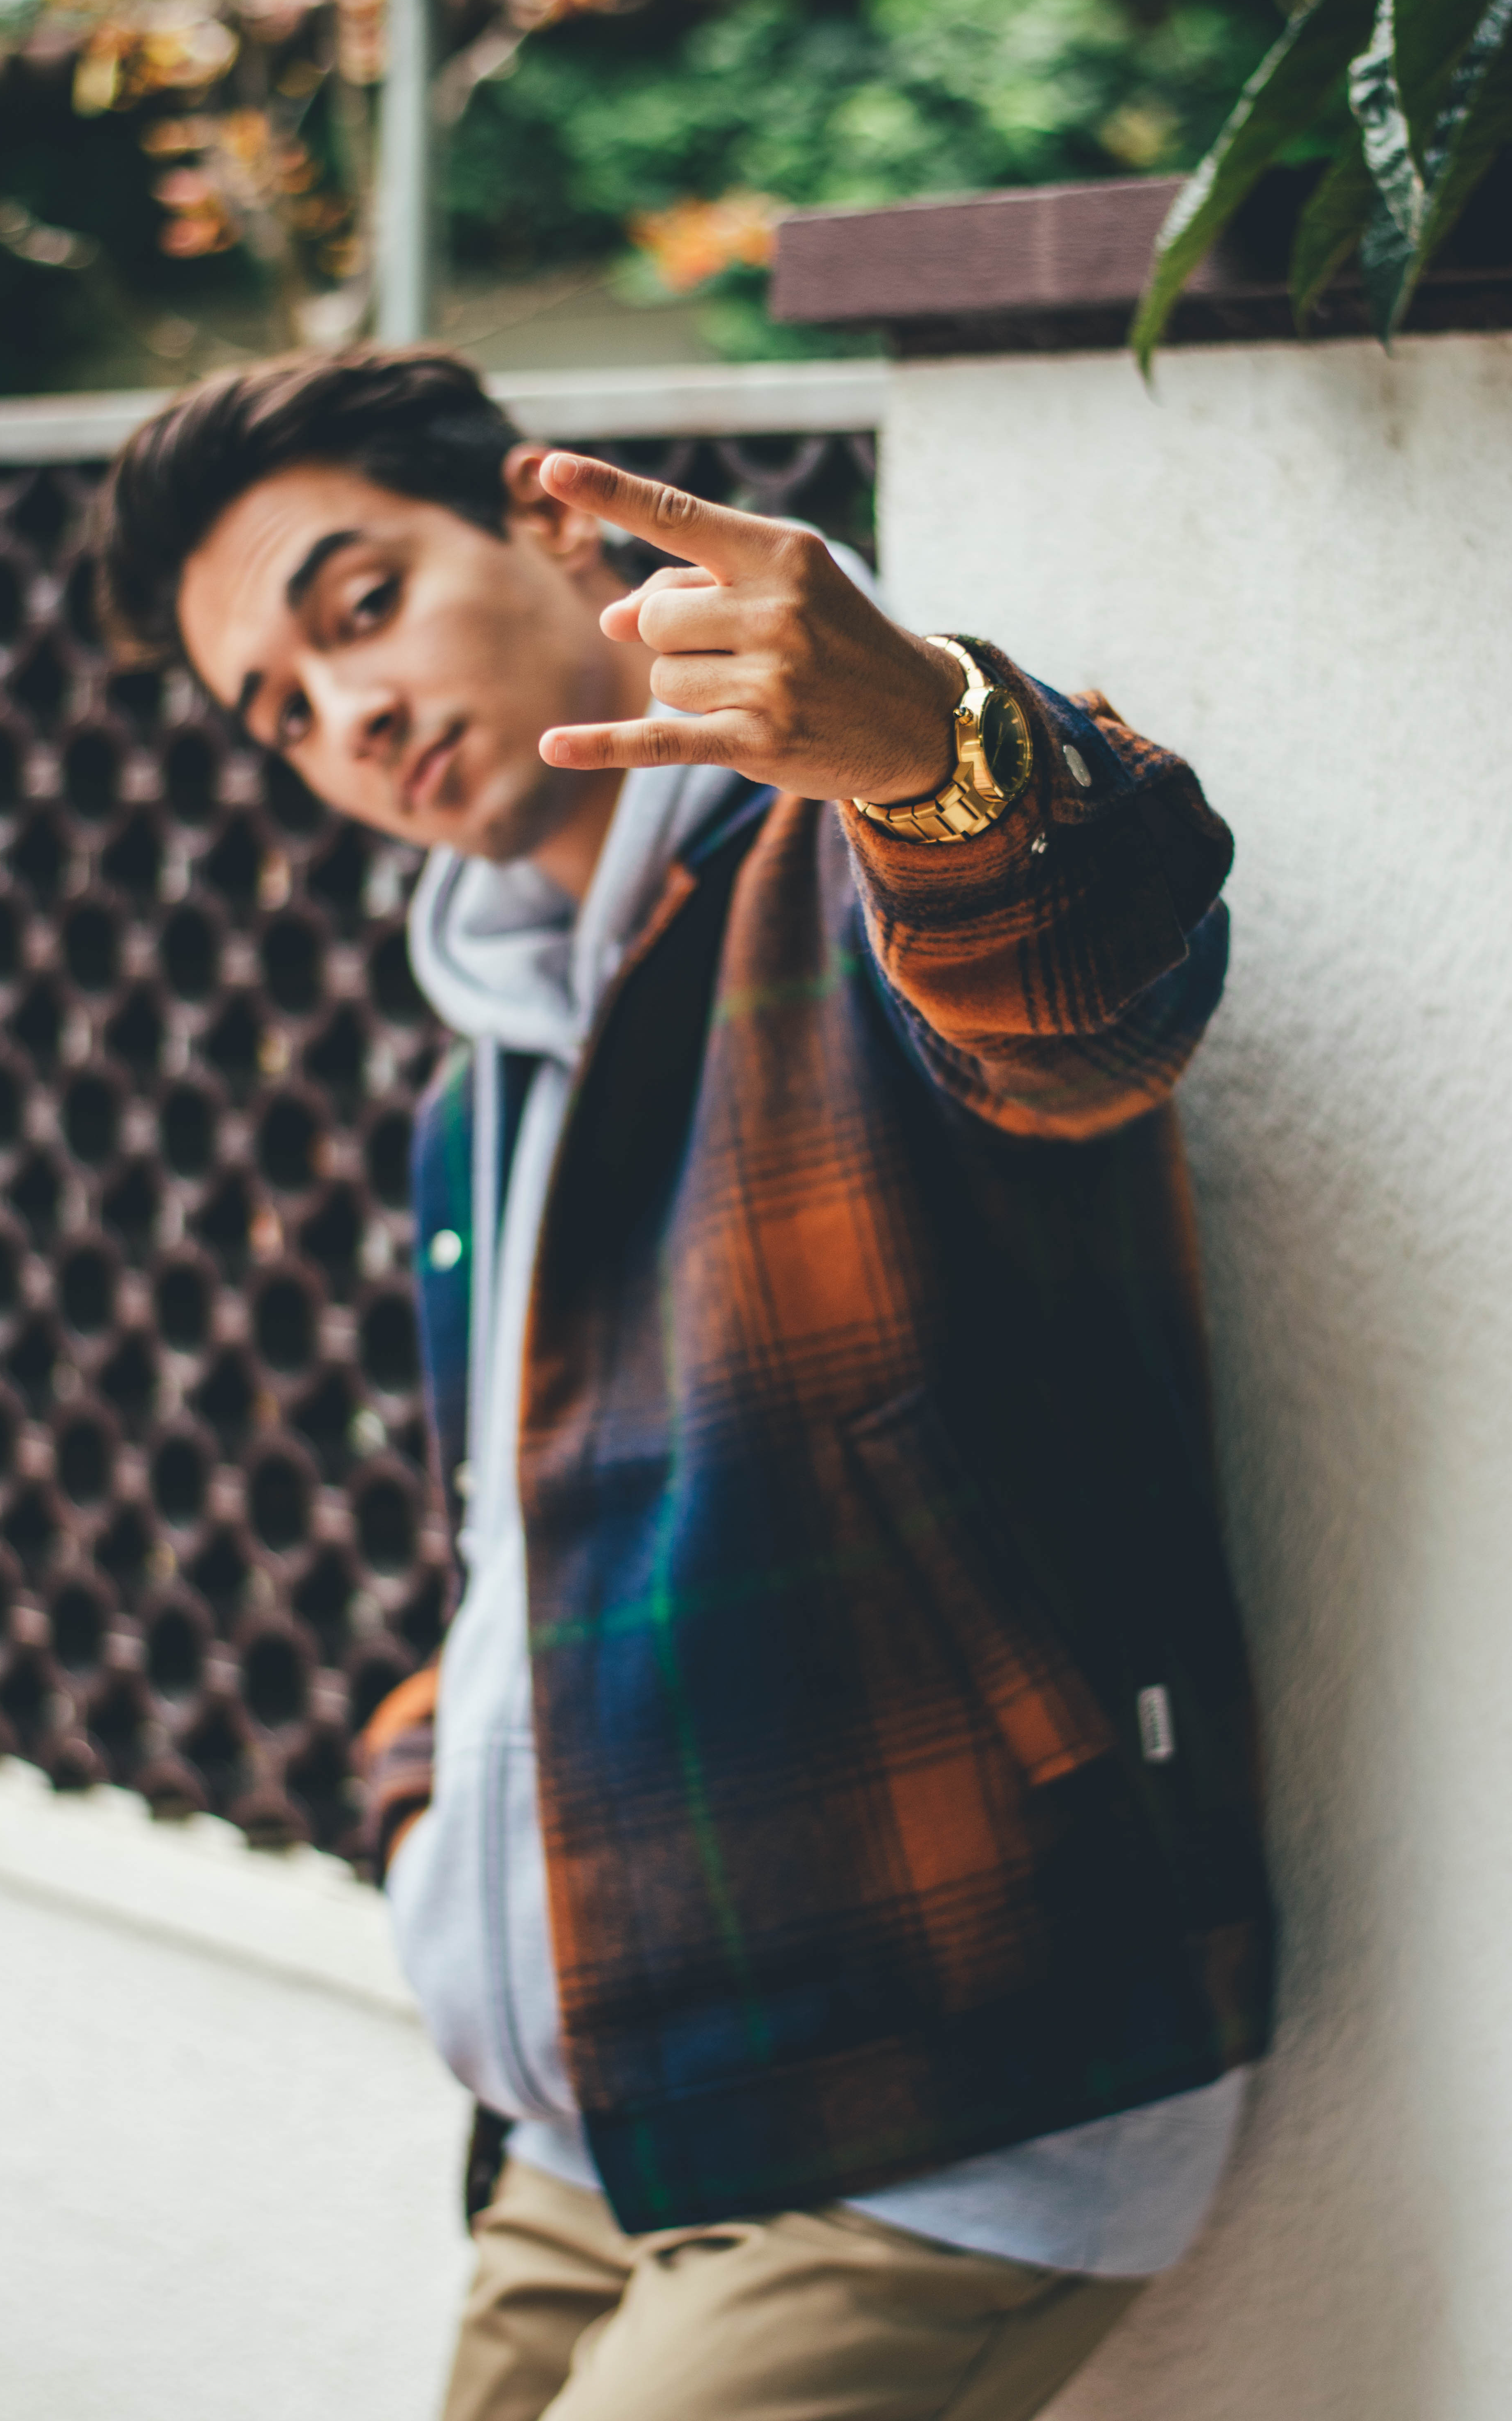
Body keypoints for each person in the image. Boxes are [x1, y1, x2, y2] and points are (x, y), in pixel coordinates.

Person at [97, 348, 1273, 2421]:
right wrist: (428, 1800)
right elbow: (511, 1548)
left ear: (551, 527)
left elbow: (1085, 988)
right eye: (278, 711)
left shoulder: (846, 861)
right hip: (593, 2119)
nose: (344, 714)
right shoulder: (474, 1102)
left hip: (932, 2099)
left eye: (359, 606)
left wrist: (940, 748)